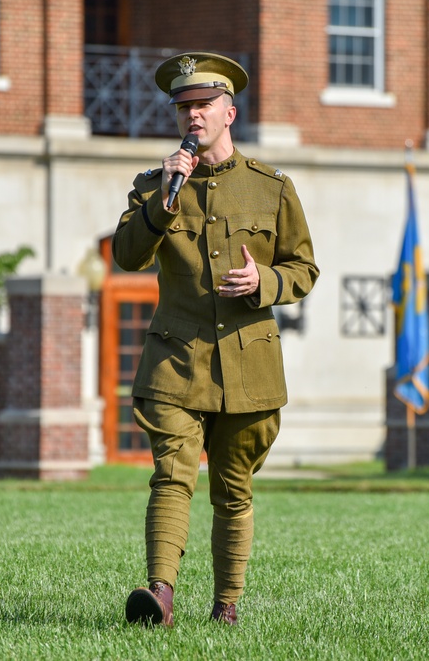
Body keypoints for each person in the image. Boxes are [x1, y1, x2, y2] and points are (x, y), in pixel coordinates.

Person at [113, 52, 319, 627]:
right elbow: (127, 256)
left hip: (249, 367)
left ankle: (226, 608)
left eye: (203, 105)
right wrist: (164, 198)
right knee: (172, 474)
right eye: (182, 108)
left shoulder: (272, 188)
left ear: (230, 111)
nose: (192, 116)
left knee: (233, 489)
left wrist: (265, 281)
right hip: (175, 363)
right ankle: (160, 594)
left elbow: (305, 270)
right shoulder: (154, 186)